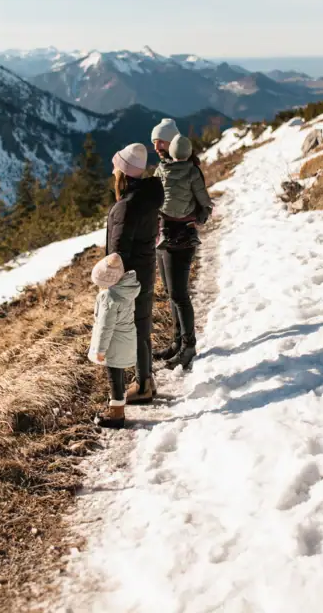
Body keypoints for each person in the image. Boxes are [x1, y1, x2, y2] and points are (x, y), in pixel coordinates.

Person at [107, 143, 164, 404]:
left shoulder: (126, 206)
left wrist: (108, 281)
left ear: (124, 173)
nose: (113, 172)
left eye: (115, 168)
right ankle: (146, 380)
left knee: (124, 333)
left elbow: (117, 255)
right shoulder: (147, 198)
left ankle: (141, 388)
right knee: (142, 327)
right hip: (145, 272)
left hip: (128, 279)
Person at [153, 131, 213, 370]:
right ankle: (179, 343)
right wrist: (199, 217)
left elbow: (155, 198)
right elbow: (204, 201)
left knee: (176, 293)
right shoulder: (193, 172)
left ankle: (187, 345)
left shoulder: (161, 170)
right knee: (175, 293)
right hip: (185, 235)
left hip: (164, 236)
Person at [88, 253, 141, 429]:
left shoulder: (109, 298)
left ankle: (116, 414)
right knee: (118, 375)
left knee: (114, 377)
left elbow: (105, 328)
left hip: (113, 343)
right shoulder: (126, 289)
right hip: (125, 339)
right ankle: (117, 405)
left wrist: (100, 350)